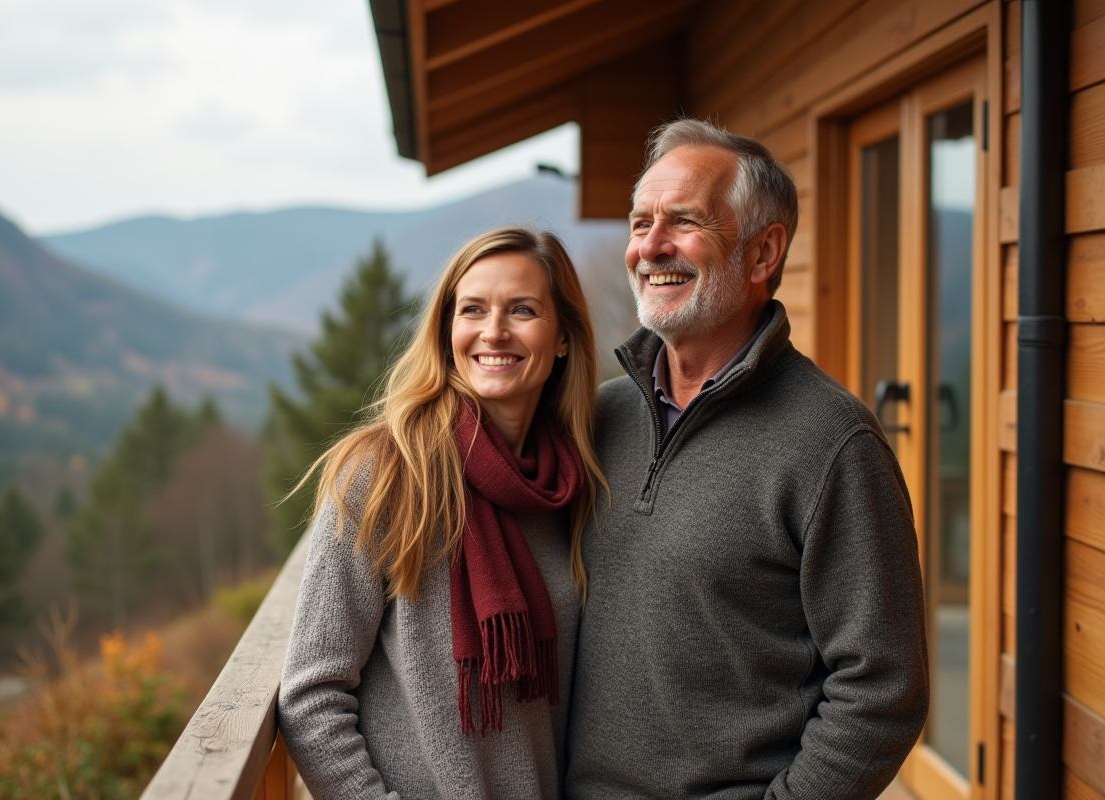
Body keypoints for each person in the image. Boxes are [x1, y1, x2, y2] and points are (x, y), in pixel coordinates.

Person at [566, 119, 929, 799]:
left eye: (684, 221)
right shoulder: (600, 417)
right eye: (640, 222)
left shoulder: (832, 443)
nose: (650, 245)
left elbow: (882, 692)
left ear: (764, 254)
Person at [278, 227, 606, 800]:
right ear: (448, 329)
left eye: (523, 309)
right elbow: (311, 697)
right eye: (472, 309)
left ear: (562, 339)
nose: (493, 331)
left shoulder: (569, 486)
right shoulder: (387, 474)